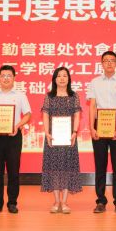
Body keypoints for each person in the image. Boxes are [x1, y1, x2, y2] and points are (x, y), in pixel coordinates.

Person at [0, 65, 33, 214]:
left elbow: (28, 114)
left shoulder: (20, 96)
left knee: (13, 172)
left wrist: (17, 126)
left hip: (14, 137)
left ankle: (12, 203)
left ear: (14, 78)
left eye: (9, 75)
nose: (6, 78)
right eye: (3, 75)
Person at [87, 51, 116, 214]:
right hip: (99, 124)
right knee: (100, 164)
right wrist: (92, 127)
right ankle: (101, 201)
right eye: (106, 61)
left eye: (112, 60)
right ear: (102, 63)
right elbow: (92, 106)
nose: (109, 63)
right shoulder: (95, 82)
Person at [41, 67, 83, 213]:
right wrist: (47, 133)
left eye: (65, 75)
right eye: (59, 76)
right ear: (54, 79)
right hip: (53, 138)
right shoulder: (49, 96)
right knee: (54, 168)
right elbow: (45, 114)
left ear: (69, 79)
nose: (62, 78)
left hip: (68, 137)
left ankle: (64, 202)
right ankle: (56, 201)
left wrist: (75, 132)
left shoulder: (74, 96)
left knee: (67, 168)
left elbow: (77, 115)